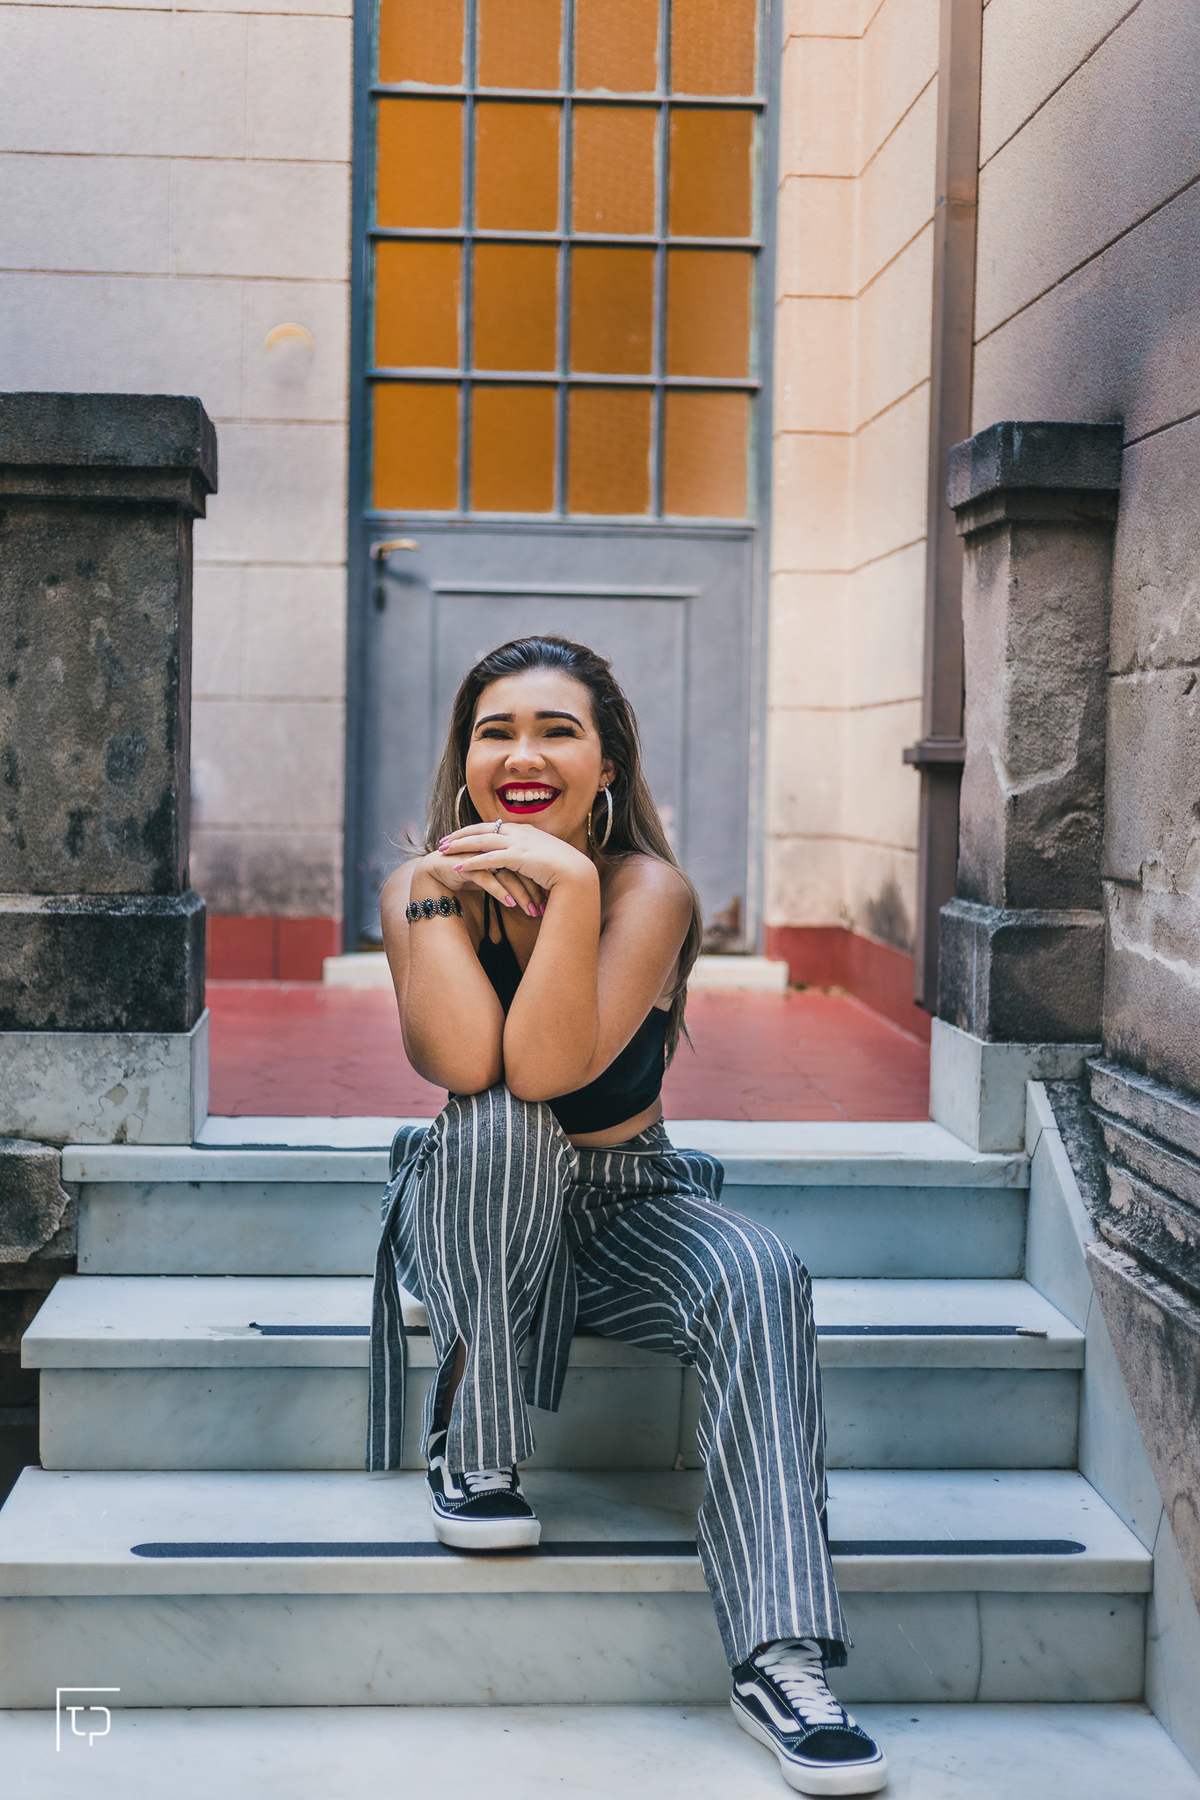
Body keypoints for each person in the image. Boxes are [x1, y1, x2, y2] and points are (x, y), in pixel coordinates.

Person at [368, 635, 887, 1798]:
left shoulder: (648, 892)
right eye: (496, 730)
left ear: (609, 763)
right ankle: (475, 1442)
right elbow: (476, 1067)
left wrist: (574, 885)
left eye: (559, 730)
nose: (524, 755)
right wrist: (450, 896)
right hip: (481, 1191)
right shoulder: (419, 888)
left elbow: (560, 1067)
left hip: (628, 1202)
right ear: (464, 759)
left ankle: (780, 1655)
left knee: (763, 1272)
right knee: (498, 1124)